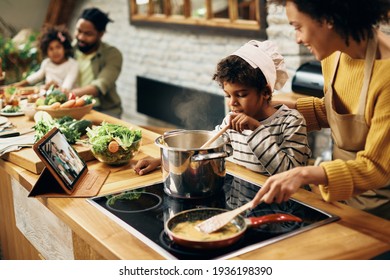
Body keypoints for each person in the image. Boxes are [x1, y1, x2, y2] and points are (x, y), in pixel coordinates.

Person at [252, 0, 390, 220]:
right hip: (341, 200)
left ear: (328, 20)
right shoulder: (335, 53)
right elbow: (334, 112)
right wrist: (268, 109)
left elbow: (376, 168)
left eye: (298, 27)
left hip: (380, 212)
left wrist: (304, 173)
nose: (297, 38)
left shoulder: (387, 75)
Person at [134, 40, 312, 176]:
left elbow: (291, 174)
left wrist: (257, 129)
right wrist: (162, 160)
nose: (232, 103)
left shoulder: (290, 122)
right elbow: (205, 150)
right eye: (228, 95)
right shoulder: (231, 121)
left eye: (241, 95)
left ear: (265, 92)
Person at [70, 7, 123, 118]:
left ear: (100, 34)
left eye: (88, 34)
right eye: (79, 31)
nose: (81, 37)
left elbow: (99, 86)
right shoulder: (68, 50)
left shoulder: (112, 54)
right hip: (72, 107)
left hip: (104, 110)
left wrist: (68, 94)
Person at [12, 25, 78, 91]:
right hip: (47, 95)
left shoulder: (72, 64)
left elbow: (67, 87)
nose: (55, 52)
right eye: (51, 49)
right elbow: (36, 76)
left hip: (67, 98)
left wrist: (54, 87)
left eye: (58, 47)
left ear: (65, 48)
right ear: (46, 51)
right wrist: (19, 84)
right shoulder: (47, 63)